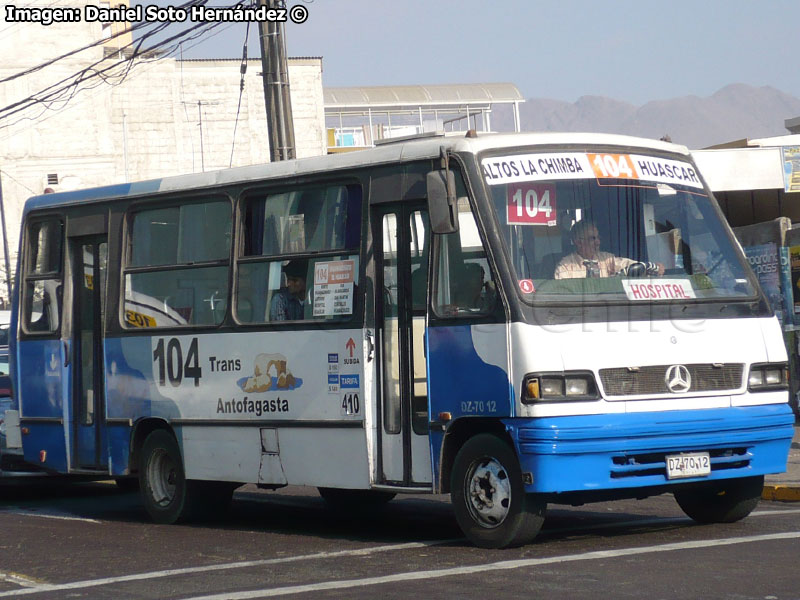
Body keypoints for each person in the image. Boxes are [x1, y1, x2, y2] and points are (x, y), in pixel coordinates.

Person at [554, 220, 664, 279]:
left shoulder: (606, 259)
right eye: (593, 238)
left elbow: (630, 266)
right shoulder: (565, 267)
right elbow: (563, 295)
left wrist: (652, 267)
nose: (598, 242)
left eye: (598, 238)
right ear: (578, 242)